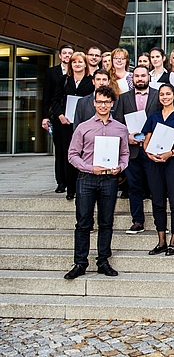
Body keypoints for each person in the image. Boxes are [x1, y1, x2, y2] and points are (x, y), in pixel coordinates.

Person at [64, 86, 129, 280]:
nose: (103, 105)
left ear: (112, 104)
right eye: (100, 101)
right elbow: (72, 155)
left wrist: (121, 166)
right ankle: (80, 263)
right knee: (83, 222)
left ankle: (103, 261)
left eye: (107, 102)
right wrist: (89, 167)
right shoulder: (83, 127)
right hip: (86, 178)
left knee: (106, 222)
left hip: (109, 178)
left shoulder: (120, 128)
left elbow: (125, 154)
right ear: (94, 102)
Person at [142, 84, 174, 256]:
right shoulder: (153, 116)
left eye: (168, 94)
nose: (164, 97)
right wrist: (150, 154)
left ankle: (173, 240)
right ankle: (161, 240)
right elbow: (146, 141)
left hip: (173, 161)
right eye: (162, 94)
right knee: (157, 201)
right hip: (155, 162)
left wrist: (170, 153)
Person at [113, 66, 159, 234]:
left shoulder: (157, 95)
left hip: (152, 148)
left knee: (156, 187)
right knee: (134, 187)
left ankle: (159, 221)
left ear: (149, 77)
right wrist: (127, 136)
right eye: (137, 76)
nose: (140, 79)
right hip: (132, 150)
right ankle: (137, 221)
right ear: (132, 79)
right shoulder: (124, 98)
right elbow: (117, 122)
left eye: (143, 76)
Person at [51, 52, 95, 200]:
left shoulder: (91, 81)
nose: (77, 64)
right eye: (74, 62)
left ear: (85, 64)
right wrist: (60, 115)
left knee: (84, 153)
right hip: (65, 124)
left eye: (80, 62)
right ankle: (70, 188)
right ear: (71, 65)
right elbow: (55, 100)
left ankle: (82, 186)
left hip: (84, 123)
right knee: (67, 154)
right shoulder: (64, 80)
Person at [42, 43, 73, 193]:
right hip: (58, 116)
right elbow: (46, 97)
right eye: (65, 53)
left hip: (74, 116)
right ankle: (61, 182)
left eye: (70, 53)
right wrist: (45, 117)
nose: (67, 56)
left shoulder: (78, 72)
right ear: (60, 56)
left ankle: (72, 180)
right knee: (60, 150)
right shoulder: (51, 72)